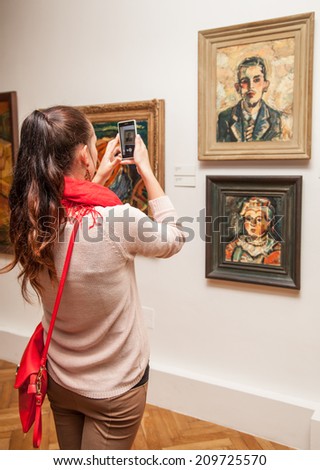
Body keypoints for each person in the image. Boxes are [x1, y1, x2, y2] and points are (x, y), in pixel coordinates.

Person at [1, 105, 185, 450]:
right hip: (114, 387)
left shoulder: (28, 218)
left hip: (60, 379)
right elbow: (173, 238)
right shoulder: (118, 220)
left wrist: (96, 180)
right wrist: (144, 167)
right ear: (85, 154)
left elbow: (72, 214)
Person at [217, 56, 282, 142]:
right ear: (237, 87)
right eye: (245, 81)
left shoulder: (275, 118)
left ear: (265, 85)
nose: (251, 86)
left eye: (257, 80)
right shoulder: (225, 118)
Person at [225, 196, 281, 265]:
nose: (253, 224)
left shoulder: (274, 248)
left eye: (259, 220)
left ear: (268, 223)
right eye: (249, 219)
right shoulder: (234, 246)